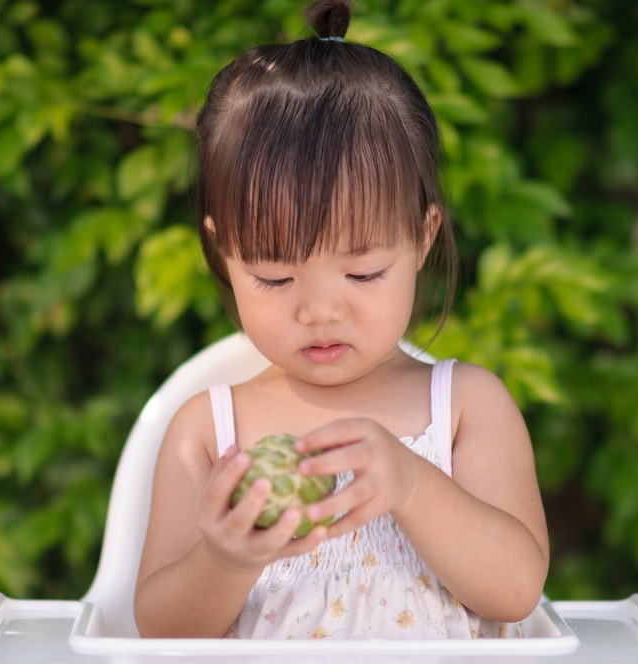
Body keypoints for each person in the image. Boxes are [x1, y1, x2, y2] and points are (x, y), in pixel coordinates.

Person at [134, 0, 549, 640]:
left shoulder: (464, 407)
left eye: (362, 274)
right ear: (223, 253)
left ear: (422, 237)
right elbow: (158, 632)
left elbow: (517, 591)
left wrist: (412, 484)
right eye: (274, 277)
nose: (320, 310)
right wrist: (224, 559)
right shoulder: (207, 434)